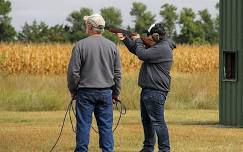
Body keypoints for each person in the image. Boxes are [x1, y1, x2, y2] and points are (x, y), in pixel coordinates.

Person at [116, 23, 176, 152]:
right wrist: (126, 39)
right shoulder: (159, 46)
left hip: (155, 91)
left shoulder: (163, 48)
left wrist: (137, 40)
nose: (148, 38)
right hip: (149, 90)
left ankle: (164, 149)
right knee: (147, 121)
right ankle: (148, 148)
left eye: (149, 36)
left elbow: (142, 54)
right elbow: (138, 50)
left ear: (155, 36)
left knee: (158, 122)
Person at [67, 14, 122, 152]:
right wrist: (115, 93)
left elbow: (73, 72)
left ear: (90, 27)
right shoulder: (112, 46)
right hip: (106, 92)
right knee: (106, 127)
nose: (86, 26)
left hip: (85, 93)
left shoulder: (80, 45)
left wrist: (73, 90)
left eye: (87, 24)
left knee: (83, 126)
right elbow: (117, 74)